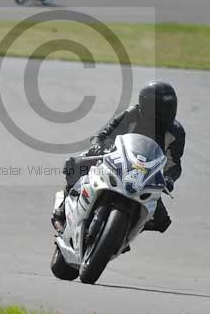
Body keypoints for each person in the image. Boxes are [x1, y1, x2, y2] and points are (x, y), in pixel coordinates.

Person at [52, 81, 184, 234]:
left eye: (169, 108)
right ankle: (62, 208)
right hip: (116, 161)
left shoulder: (176, 132)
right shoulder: (131, 114)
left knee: (162, 222)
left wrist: (169, 178)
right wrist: (97, 146)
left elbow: (174, 164)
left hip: (146, 176)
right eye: (161, 109)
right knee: (75, 164)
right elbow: (103, 134)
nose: (165, 113)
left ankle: (125, 231)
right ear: (146, 106)